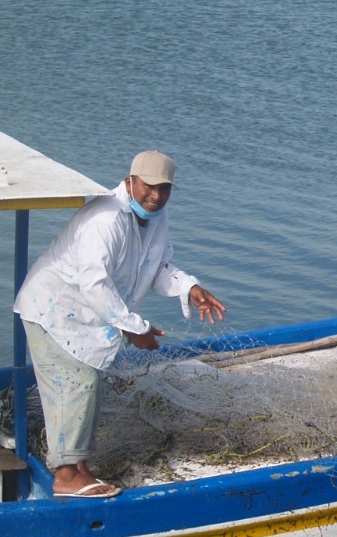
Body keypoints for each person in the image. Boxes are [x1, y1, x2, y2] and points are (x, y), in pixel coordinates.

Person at [13, 150, 226, 498]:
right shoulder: (106, 220)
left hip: (85, 317)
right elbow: (94, 283)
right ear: (130, 181)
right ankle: (66, 476)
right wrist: (133, 328)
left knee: (89, 383)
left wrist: (189, 288)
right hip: (51, 309)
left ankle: (79, 467)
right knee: (76, 383)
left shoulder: (157, 217)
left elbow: (155, 267)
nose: (155, 196)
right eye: (149, 186)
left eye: (165, 189)